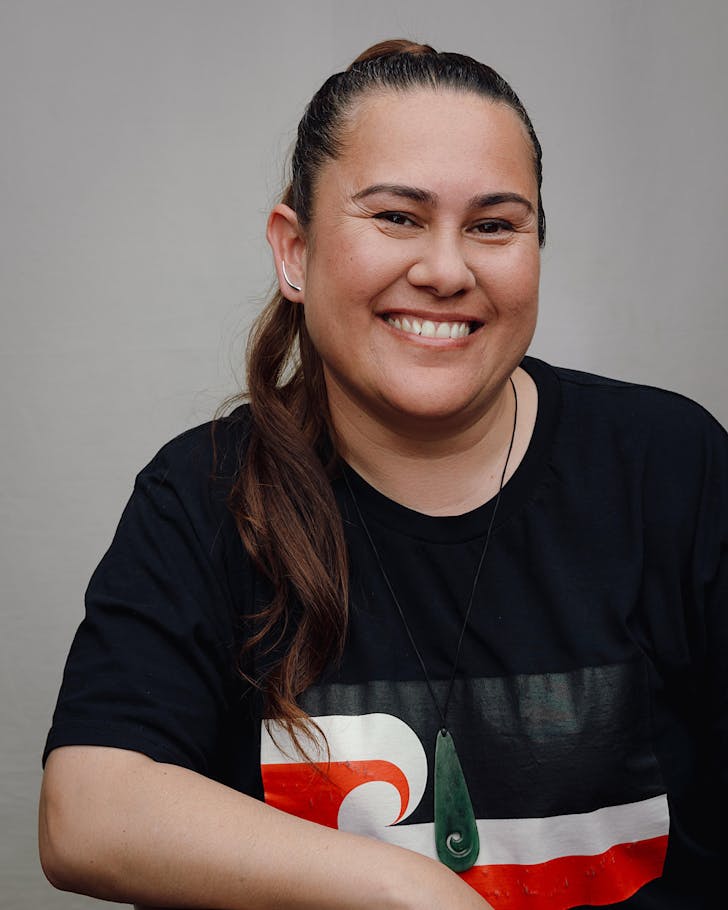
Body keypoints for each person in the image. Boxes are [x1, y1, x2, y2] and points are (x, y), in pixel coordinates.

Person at [39, 39, 727, 910]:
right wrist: (408, 891)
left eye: (494, 224)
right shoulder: (203, 495)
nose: (446, 270)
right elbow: (86, 811)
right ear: (294, 251)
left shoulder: (672, 466)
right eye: (397, 217)